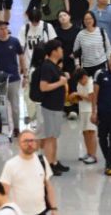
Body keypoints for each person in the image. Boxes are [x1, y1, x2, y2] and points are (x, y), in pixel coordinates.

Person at [0, 130, 58, 215]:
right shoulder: (10, 165)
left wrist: (54, 209)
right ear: (19, 144)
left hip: (41, 211)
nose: (30, 144)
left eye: (32, 140)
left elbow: (48, 187)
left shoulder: (42, 160)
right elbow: (4, 193)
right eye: (25, 141)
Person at [38, 40, 70, 175]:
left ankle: (54, 162)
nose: (62, 50)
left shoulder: (54, 66)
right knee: (50, 137)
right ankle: (48, 165)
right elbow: (43, 87)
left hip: (56, 107)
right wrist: (60, 83)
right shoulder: (47, 66)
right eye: (60, 48)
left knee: (54, 137)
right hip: (50, 107)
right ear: (54, 52)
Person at [70, 68, 97, 164]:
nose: (80, 83)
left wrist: (78, 94)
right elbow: (81, 98)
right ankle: (88, 153)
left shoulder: (90, 83)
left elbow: (91, 98)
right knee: (85, 132)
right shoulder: (79, 84)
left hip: (90, 110)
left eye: (80, 80)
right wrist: (74, 99)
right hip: (82, 110)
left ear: (85, 77)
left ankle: (93, 155)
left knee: (91, 132)